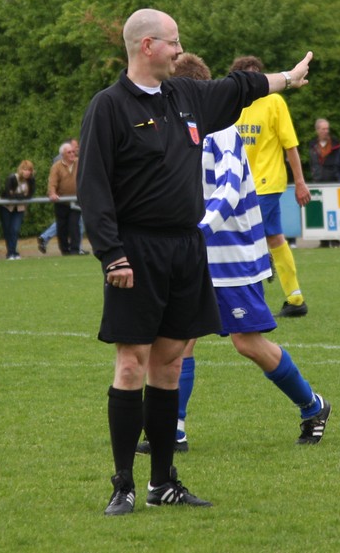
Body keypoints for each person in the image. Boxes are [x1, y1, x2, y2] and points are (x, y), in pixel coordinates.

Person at [77, 7, 312, 516]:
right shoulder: (109, 107)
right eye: (174, 42)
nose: (180, 51)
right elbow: (92, 188)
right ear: (147, 46)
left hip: (187, 250)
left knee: (168, 365)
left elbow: (240, 86)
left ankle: (163, 482)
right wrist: (112, 255)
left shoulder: (185, 97)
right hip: (135, 253)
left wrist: (287, 79)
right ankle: (123, 484)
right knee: (131, 364)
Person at [136, 53, 329, 455]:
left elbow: (226, 190)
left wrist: (199, 229)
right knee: (180, 341)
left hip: (234, 256)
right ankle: (172, 431)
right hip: (197, 254)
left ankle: (313, 406)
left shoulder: (222, 130)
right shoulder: (177, 127)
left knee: (247, 342)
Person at [230, 55, 312, 318]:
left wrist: (300, 182)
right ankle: (295, 299)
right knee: (274, 237)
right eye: (249, 74)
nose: (255, 79)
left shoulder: (274, 101)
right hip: (242, 186)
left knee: (246, 239)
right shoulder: (233, 105)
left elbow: (290, 145)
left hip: (267, 183)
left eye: (258, 73)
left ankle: (251, 304)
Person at [48, 141, 83, 255]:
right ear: (63, 154)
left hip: (76, 201)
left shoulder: (80, 163)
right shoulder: (56, 166)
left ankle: (75, 250)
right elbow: (52, 182)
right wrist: (52, 193)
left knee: (74, 225)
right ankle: (64, 250)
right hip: (61, 202)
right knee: (62, 227)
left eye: (73, 152)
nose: (72, 154)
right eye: (69, 152)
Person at [0, 160, 35, 260]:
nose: (27, 172)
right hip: (6, 207)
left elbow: (29, 195)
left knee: (15, 229)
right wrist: (21, 196)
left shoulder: (31, 180)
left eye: (29, 170)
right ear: (21, 170)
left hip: (19, 208)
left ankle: (13, 252)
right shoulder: (12, 178)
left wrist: (17, 196)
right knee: (7, 230)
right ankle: (11, 253)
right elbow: (9, 194)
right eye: (25, 169)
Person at [307, 118, 340, 183]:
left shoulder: (336, 144)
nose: (326, 131)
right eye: (323, 129)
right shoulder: (312, 145)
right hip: (317, 181)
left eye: (327, 129)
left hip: (333, 181)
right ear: (317, 130)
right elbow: (312, 163)